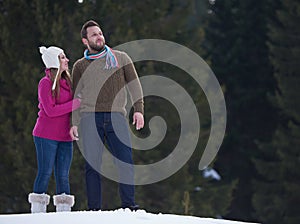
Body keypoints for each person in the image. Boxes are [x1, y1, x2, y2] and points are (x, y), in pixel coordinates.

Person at [69, 20, 144, 211]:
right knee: (92, 167)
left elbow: (135, 85)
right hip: (89, 118)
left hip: (116, 117)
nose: (99, 36)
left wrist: (139, 110)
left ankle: (129, 206)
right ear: (85, 41)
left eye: (100, 33)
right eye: (94, 34)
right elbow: (75, 96)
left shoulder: (121, 58)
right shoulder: (79, 66)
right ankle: (94, 209)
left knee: (125, 162)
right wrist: (74, 122)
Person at [28, 46, 81, 213]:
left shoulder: (69, 83)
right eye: (63, 57)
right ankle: (38, 212)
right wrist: (76, 103)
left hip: (65, 136)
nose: (67, 60)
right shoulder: (45, 83)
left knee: (63, 175)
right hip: (45, 135)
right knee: (45, 172)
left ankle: (63, 215)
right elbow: (50, 110)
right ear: (55, 62)